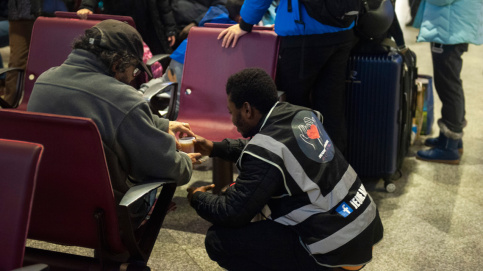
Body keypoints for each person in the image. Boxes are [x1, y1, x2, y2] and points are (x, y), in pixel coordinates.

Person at [187, 68, 384, 270]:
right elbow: (271, 148)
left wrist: (197, 198)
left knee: (218, 240)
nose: (231, 119)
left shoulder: (266, 150)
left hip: (336, 250)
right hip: (365, 228)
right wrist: (215, 148)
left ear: (246, 109)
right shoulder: (302, 115)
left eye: (232, 112)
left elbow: (232, 212)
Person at [27, 20, 202, 223]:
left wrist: (161, 124)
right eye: (134, 70)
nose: (131, 78)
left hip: (43, 208)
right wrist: (185, 164)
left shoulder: (44, 81)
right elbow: (163, 165)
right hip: (104, 216)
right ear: (117, 63)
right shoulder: (124, 98)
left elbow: (104, 113)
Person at [217, 0, 356, 156]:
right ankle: (334, 169)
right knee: (332, 105)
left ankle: (302, 164)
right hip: (342, 29)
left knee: (296, 109)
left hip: (303, 33)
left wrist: (246, 24)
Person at [415, 0, 483, 164]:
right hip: (453, 24)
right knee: (451, 83)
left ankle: (449, 146)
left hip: (449, 28)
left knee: (448, 85)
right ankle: (452, 139)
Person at [77, 0, 177, 54]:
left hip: (150, 25)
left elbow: (164, 6)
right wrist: (86, 7)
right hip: (120, 22)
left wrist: (170, 28)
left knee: (157, 59)